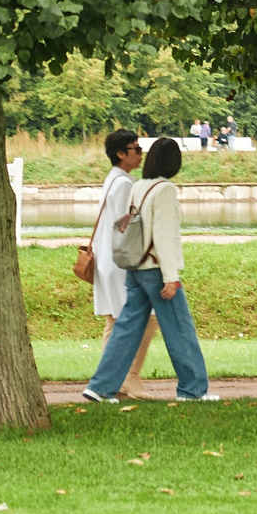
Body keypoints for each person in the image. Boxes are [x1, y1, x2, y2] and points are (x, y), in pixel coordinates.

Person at [81, 136, 216, 403]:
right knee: (180, 329)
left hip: (135, 270)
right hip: (156, 270)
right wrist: (171, 278)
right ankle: (193, 390)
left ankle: (100, 387)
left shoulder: (139, 186)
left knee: (127, 329)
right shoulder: (165, 190)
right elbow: (164, 235)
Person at [90, 130, 163, 397]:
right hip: (119, 261)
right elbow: (127, 226)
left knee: (115, 322)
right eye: (135, 149)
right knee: (147, 318)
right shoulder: (123, 184)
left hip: (108, 259)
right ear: (121, 154)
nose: (140, 153)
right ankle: (127, 377)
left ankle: (107, 382)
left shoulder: (116, 179)